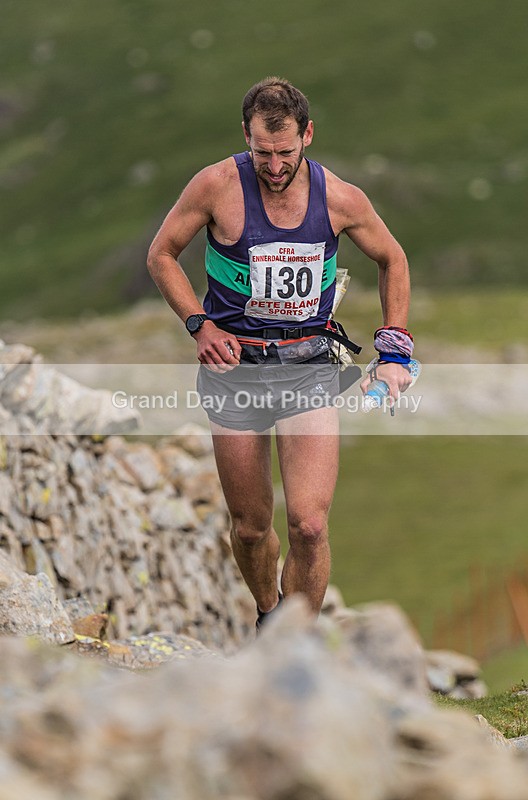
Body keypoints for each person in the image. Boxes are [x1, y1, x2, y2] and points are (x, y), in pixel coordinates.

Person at [147, 77, 413, 629]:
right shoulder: (216, 186)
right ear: (245, 135)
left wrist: (394, 349)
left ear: (308, 136)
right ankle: (270, 615)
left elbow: (393, 259)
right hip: (234, 371)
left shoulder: (340, 197)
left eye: (285, 152)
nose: (273, 166)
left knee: (310, 525)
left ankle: (296, 644)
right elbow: (162, 254)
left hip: (308, 368)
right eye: (261, 152)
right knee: (249, 526)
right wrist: (198, 324)